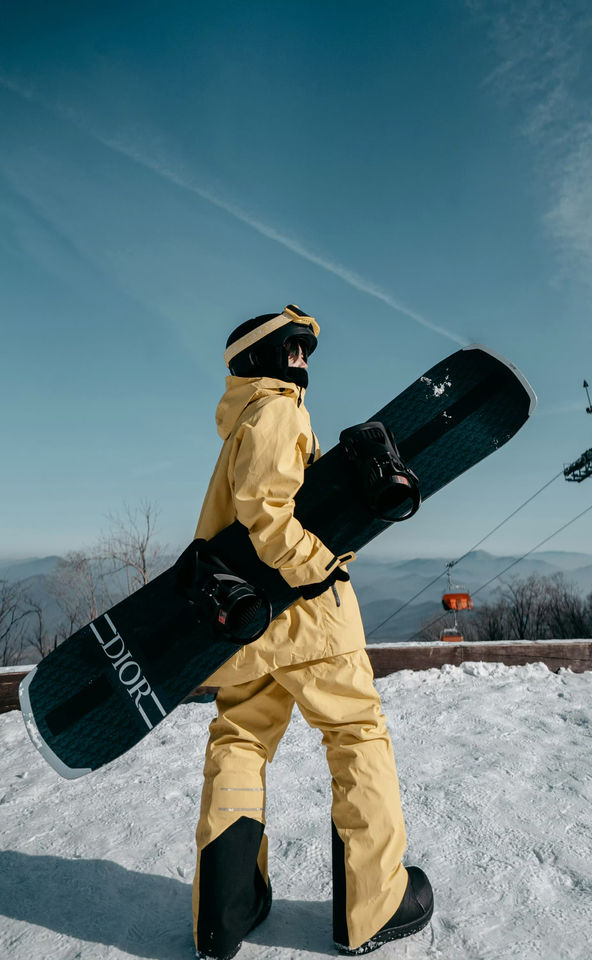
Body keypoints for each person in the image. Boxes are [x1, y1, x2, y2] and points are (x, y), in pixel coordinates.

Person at [192, 304, 433, 959]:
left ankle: (226, 910)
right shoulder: (278, 412)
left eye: (305, 352)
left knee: (239, 743)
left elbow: (237, 520)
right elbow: (268, 515)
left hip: (245, 625)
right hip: (304, 616)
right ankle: (373, 905)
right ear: (262, 359)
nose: (303, 364)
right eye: (292, 349)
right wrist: (320, 567)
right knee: (356, 735)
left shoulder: (238, 424)